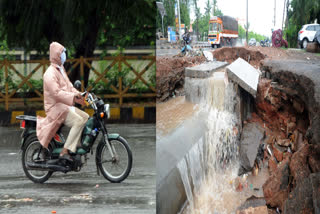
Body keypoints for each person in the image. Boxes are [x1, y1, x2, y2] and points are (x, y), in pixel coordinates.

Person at [36, 42, 89, 162]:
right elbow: (57, 93)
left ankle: (75, 146)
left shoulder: (60, 69)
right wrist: (73, 97)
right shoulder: (49, 74)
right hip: (55, 108)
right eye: (62, 53)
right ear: (57, 55)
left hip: (64, 105)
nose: (64, 55)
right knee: (79, 121)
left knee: (85, 117)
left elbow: (69, 87)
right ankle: (65, 151)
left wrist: (80, 96)